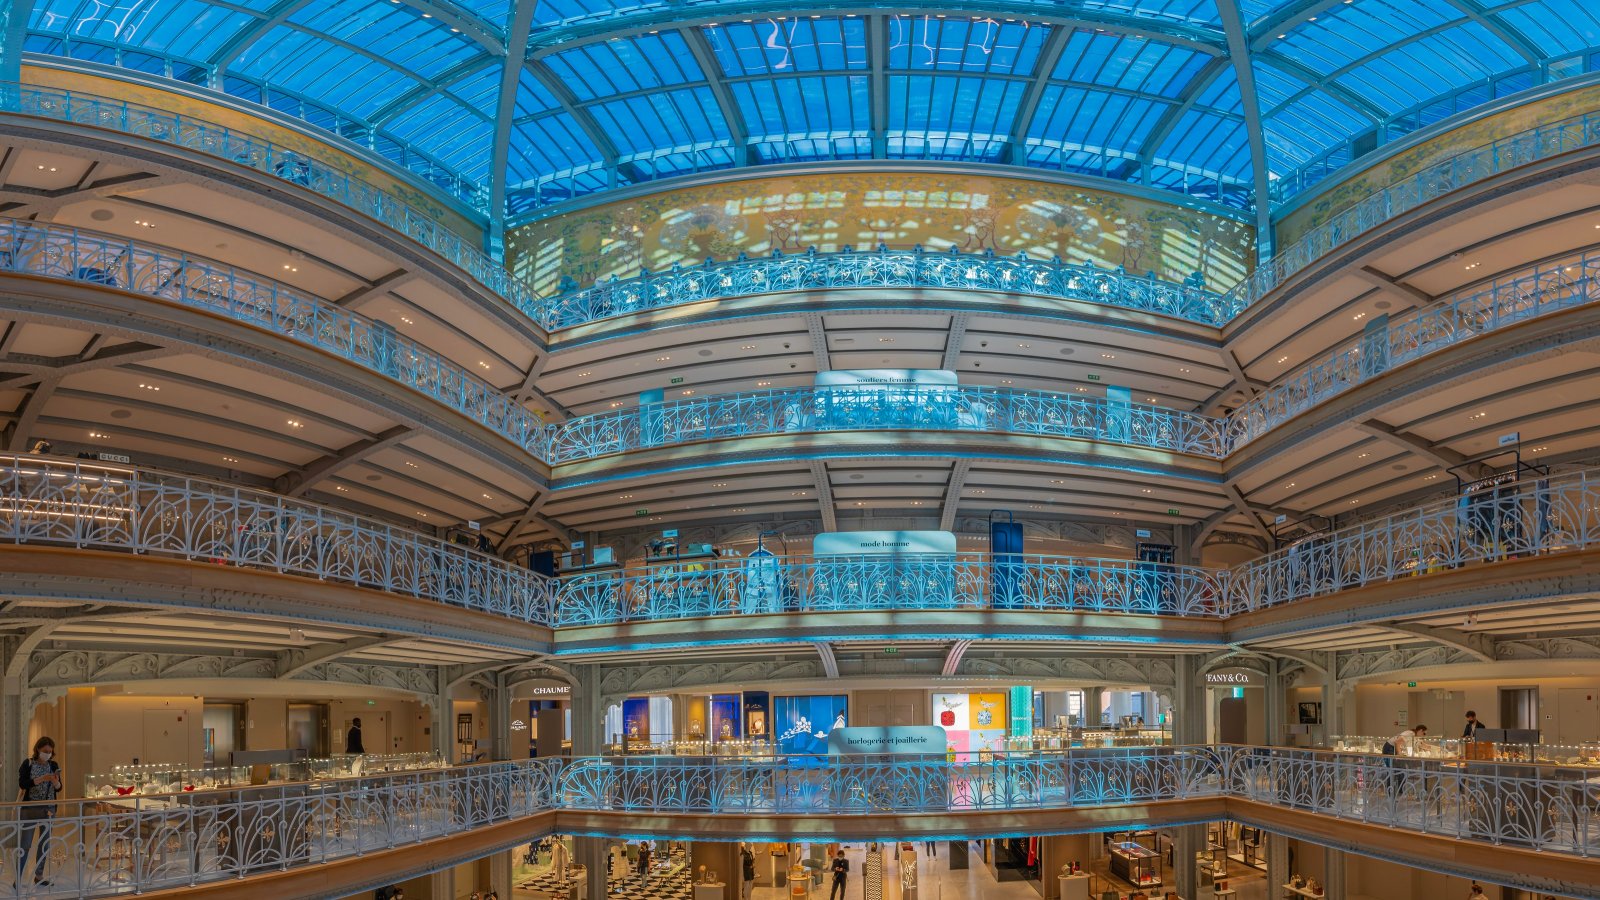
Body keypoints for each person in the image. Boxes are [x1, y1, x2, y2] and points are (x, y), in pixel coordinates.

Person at [15, 736, 61, 888]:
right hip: (29, 809)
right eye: (44, 751)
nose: (47, 754)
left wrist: (55, 782)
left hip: (48, 809)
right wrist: (40, 779)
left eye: (49, 751)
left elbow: (59, 788)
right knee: (25, 844)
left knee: (45, 844)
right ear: (38, 750)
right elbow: (23, 783)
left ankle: (39, 876)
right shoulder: (28, 763)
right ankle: (18, 877)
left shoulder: (53, 765)